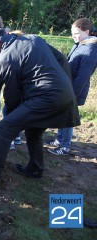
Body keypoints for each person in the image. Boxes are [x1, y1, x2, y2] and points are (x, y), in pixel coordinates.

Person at [0, 29, 80, 187]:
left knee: (4, 128)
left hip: (44, 97)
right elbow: (61, 59)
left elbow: (11, 96)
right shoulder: (33, 39)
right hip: (64, 95)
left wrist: (13, 118)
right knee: (33, 131)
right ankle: (35, 169)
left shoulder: (7, 56)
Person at [47, 18, 97, 155]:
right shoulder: (81, 43)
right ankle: (59, 139)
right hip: (67, 87)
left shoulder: (91, 50)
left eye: (76, 33)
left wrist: (72, 95)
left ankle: (64, 146)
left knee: (68, 117)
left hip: (75, 90)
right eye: (72, 33)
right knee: (63, 114)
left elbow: (82, 76)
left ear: (87, 31)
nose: (73, 36)